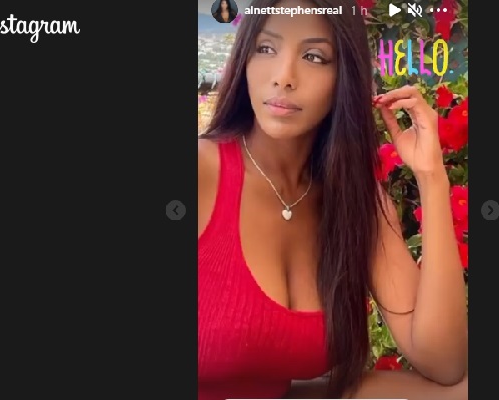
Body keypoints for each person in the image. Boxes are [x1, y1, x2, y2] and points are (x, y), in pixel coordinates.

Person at [197, 0, 467, 399]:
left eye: (313, 56)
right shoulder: (202, 173)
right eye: (266, 48)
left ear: (345, 77)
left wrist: (432, 178)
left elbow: (445, 364)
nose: (283, 77)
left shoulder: (354, 202)